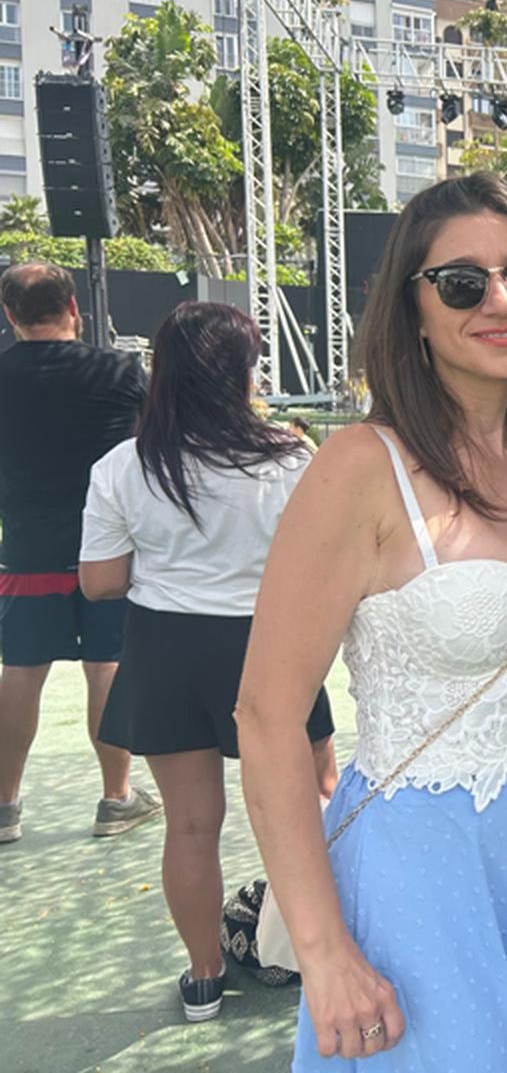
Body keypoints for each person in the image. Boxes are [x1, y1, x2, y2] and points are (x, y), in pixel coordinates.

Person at [235, 173, 507, 1071]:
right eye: (462, 282)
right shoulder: (359, 467)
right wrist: (325, 952)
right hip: (417, 871)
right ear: (411, 308)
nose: (501, 302)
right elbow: (265, 716)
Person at [77, 301, 339, 1022]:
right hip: (272, 645)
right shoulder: (289, 458)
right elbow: (321, 567)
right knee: (313, 805)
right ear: (246, 370)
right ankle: (316, 956)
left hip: (164, 647)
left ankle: (203, 977)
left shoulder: (124, 464)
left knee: (189, 824)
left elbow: (99, 583)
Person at [0, 262, 161, 845]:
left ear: (10, 315)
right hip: (108, 550)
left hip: (25, 548)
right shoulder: (119, 370)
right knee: (106, 666)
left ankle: (5, 807)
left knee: (20, 670)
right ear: (74, 309)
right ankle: (116, 798)